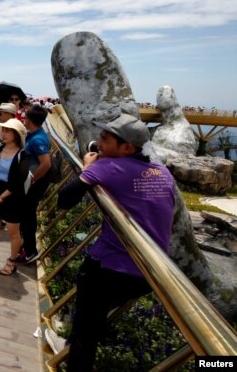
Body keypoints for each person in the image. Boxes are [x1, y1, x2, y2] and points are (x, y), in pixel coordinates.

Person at [57, 113, 176, 371]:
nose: (98, 144)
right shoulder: (163, 173)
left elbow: (64, 200)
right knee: (95, 323)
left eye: (104, 139)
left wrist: (88, 168)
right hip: (150, 273)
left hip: (109, 270)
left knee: (84, 334)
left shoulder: (109, 166)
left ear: (126, 148)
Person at [0, 118, 30, 275]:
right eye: (4, 130)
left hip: (13, 196)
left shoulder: (24, 155)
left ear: (16, 135)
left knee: (13, 232)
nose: (4, 133)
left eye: (8, 131)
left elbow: (19, 180)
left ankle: (11, 261)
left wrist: (2, 196)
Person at [17, 105, 52, 264]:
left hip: (34, 183)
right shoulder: (34, 134)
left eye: (25, 117)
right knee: (25, 215)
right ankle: (26, 246)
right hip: (30, 180)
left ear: (29, 120)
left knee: (27, 216)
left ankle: (30, 251)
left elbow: (46, 164)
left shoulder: (38, 139)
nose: (24, 119)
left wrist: (32, 180)